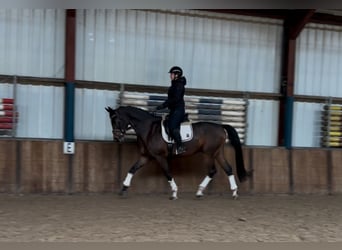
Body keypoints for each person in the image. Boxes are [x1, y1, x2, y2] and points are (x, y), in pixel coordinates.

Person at [156, 66, 187, 154]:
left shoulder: (179, 85)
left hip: (178, 110)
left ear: (177, 75)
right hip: (174, 109)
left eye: (172, 74)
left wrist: (163, 105)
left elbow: (175, 98)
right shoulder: (175, 84)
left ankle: (180, 146)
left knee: (172, 126)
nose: (170, 76)